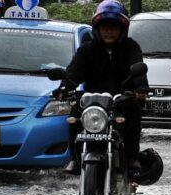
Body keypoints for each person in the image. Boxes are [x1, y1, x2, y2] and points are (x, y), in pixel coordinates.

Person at [54, 0, 149, 175]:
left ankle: (132, 158)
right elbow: (74, 71)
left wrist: (141, 88)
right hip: (93, 99)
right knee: (74, 114)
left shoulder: (131, 46)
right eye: (105, 26)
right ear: (97, 28)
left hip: (122, 98)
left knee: (134, 112)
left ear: (122, 29)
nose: (109, 30)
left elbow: (138, 68)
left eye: (113, 26)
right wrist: (64, 87)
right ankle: (74, 159)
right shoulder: (87, 50)